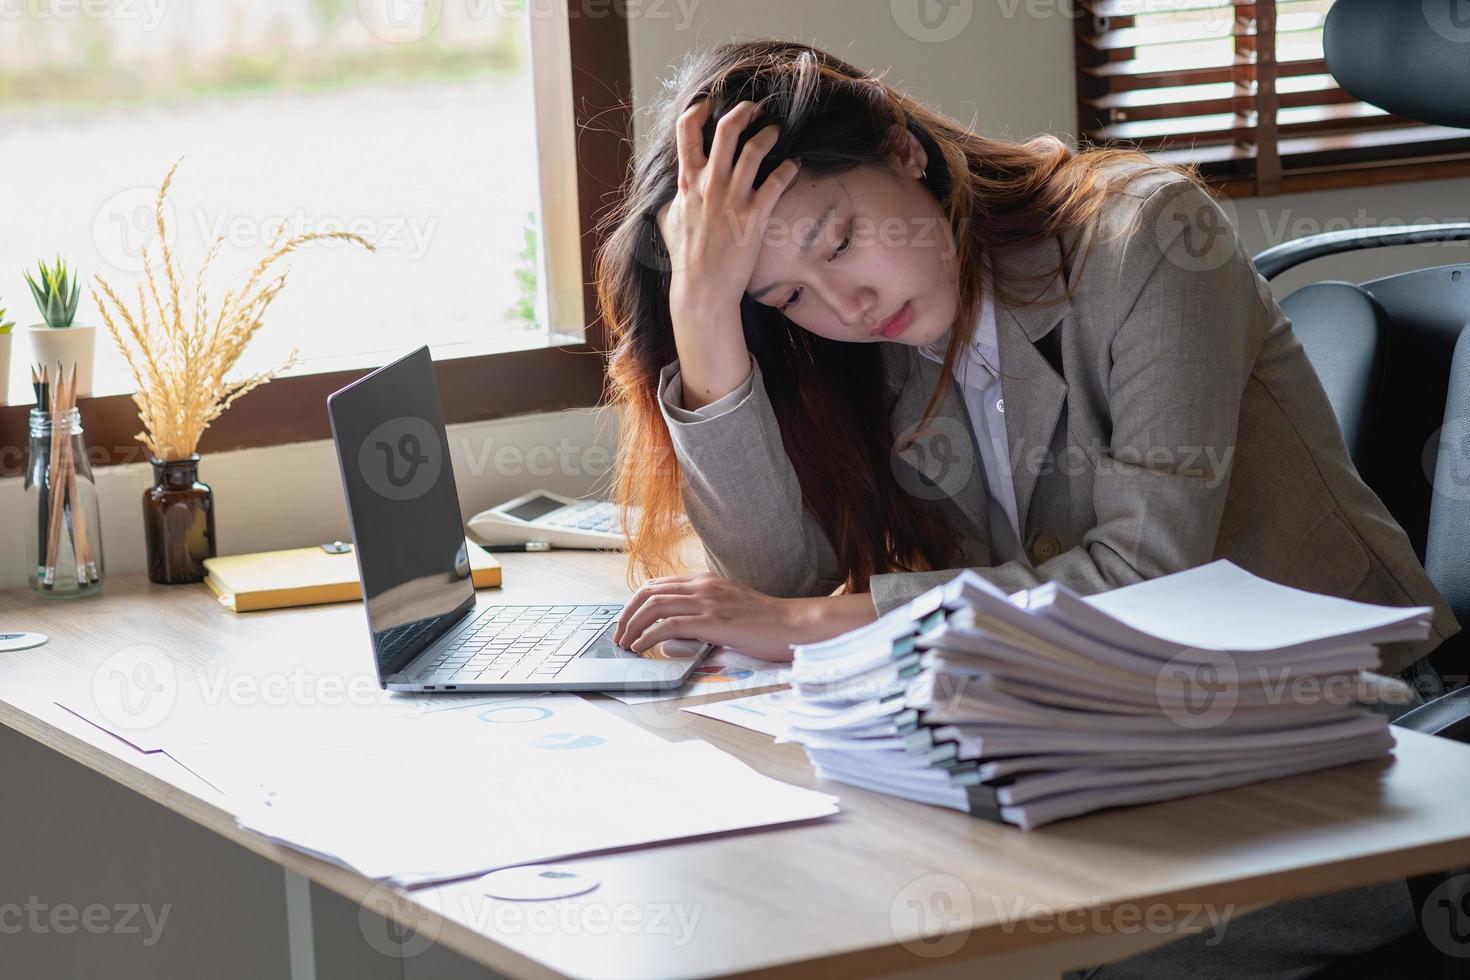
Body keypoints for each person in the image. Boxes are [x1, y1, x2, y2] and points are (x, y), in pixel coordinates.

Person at [592, 38, 1459, 977]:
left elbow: (1150, 577)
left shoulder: (1150, 238)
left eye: (837, 240)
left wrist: (807, 623)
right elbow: (773, 579)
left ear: (901, 149)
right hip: (1089, 742)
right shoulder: (874, 343)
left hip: (1328, 742)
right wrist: (707, 315)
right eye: (789, 294)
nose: (842, 302)